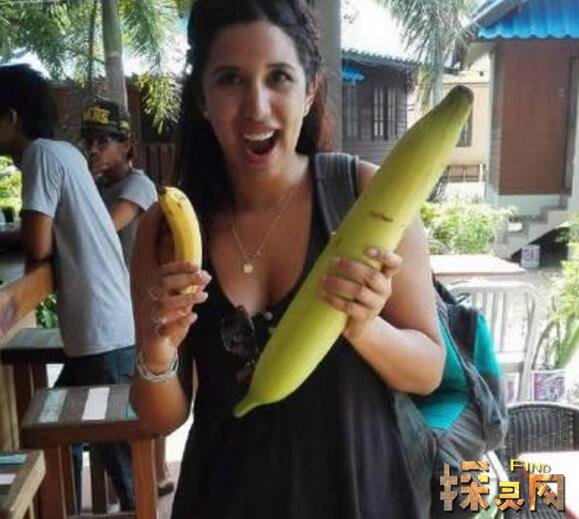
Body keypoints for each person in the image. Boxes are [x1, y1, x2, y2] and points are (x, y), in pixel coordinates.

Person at [130, 0, 446, 517]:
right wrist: (158, 348)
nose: (256, 107)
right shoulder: (168, 229)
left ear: (310, 91)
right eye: (230, 79)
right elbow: (160, 418)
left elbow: (429, 371)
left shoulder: (367, 198)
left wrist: (365, 327)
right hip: (223, 499)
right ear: (203, 98)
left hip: (360, 497)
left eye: (278, 77)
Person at [0, 65, 136, 512]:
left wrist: (17, 234)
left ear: (11, 118)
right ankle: (69, 506)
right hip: (102, 326)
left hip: (100, 331)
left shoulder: (40, 155)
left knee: (117, 454)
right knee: (73, 435)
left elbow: (38, 244)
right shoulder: (64, 153)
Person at [79, 98, 174, 496]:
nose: (94, 148)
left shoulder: (138, 186)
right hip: (117, 305)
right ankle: (148, 476)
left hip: (141, 303)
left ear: (127, 146)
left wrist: (79, 183)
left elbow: (102, 228)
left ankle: (155, 474)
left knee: (148, 390)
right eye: (89, 141)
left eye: (104, 140)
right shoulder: (99, 187)